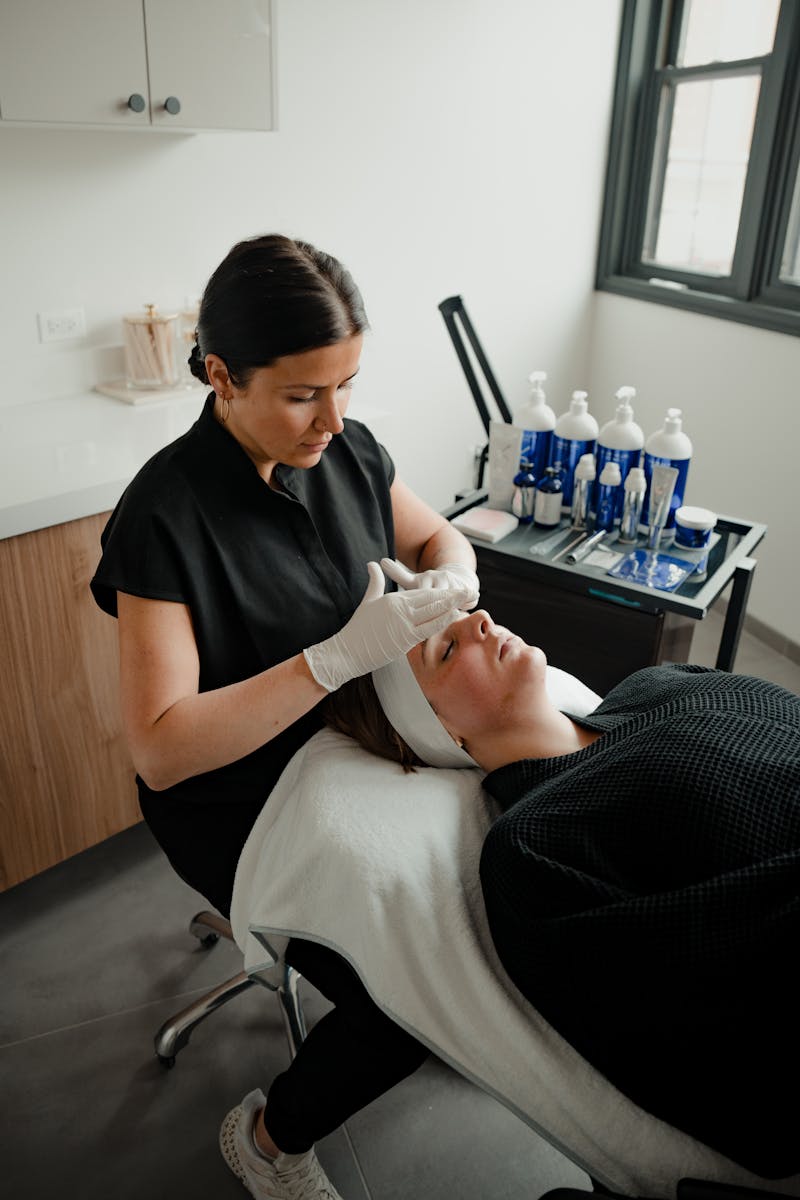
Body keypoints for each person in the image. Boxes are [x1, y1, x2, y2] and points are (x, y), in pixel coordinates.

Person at [90, 234, 480, 1200]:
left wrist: (458, 566)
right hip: (236, 800)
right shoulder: (165, 516)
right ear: (221, 375)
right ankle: (267, 1139)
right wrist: (336, 657)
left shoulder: (346, 450)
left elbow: (430, 529)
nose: (332, 419)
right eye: (305, 393)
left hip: (355, 757)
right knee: (410, 1001)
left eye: (347, 384)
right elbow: (162, 746)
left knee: (479, 895)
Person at [323, 607, 800, 1180]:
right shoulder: (532, 852)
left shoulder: (657, 681)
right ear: (438, 731)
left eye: (459, 617)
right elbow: (728, 1045)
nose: (477, 618)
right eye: (445, 651)